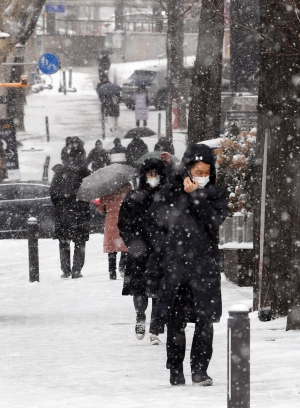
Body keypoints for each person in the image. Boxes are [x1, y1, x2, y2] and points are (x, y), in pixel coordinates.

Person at [146, 144, 228, 386]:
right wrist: (166, 247)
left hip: (204, 266)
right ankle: (175, 369)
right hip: (175, 267)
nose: (201, 177)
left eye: (206, 172)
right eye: (198, 172)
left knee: (205, 320)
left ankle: (200, 369)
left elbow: (214, 220)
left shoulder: (214, 194)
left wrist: (196, 195)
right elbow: (152, 224)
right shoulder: (169, 192)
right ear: (187, 170)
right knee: (175, 320)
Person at [118, 159, 167, 345]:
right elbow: (123, 223)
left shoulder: (167, 196)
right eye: (150, 174)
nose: (153, 178)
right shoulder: (133, 196)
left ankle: (155, 328)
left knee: (159, 290)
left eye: (157, 174)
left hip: (160, 250)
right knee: (139, 288)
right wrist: (132, 243)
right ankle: (140, 317)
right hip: (139, 249)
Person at [50, 147, 91, 279]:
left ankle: (65, 270)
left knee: (64, 242)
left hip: (63, 214)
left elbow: (53, 193)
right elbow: (90, 193)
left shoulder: (60, 172)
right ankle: (76, 270)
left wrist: (60, 205)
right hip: (80, 213)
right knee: (80, 243)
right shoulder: (85, 173)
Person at [97, 183, 132, 280]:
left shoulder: (106, 192)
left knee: (111, 249)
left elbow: (100, 209)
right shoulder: (127, 192)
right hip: (124, 221)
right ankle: (122, 266)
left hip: (110, 224)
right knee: (125, 246)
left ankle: (112, 271)